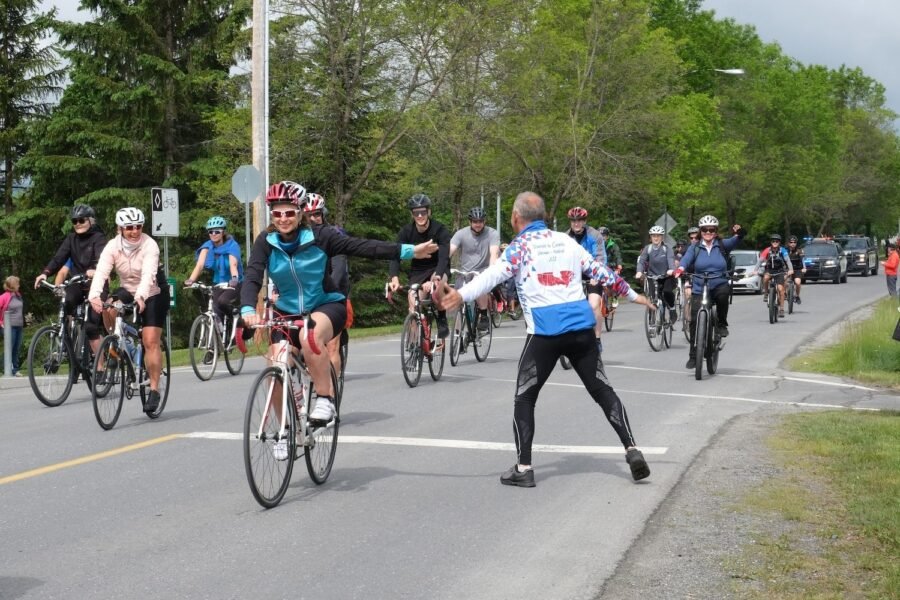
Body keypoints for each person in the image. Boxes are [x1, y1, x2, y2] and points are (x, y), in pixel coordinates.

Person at [434, 191, 656, 487]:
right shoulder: (566, 241)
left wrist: (461, 295)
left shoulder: (520, 246)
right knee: (602, 390)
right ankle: (632, 449)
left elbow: (493, 275)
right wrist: (633, 295)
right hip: (581, 329)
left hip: (545, 333)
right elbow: (602, 274)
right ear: (544, 218)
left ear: (515, 218)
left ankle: (524, 469)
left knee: (525, 397)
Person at [240, 181, 438, 447]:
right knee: (275, 365)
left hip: (325, 305)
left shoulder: (321, 237)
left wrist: (410, 251)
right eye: (277, 213)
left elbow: (364, 247)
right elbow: (253, 275)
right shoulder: (266, 241)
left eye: (289, 212)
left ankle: (325, 399)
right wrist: (247, 309)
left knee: (310, 336)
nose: (283, 219)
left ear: (300, 213)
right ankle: (287, 431)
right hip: (287, 311)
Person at [89, 207, 169, 413]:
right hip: (127, 289)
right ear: (120, 229)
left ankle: (154, 390)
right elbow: (101, 272)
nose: (134, 231)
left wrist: (141, 297)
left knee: (150, 340)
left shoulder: (149, 245)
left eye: (138, 227)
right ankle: (115, 344)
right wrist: (94, 296)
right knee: (109, 306)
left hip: (153, 291)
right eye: (129, 227)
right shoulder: (112, 246)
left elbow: (148, 275)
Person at [34, 205, 108, 356]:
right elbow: (59, 258)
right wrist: (45, 273)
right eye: (75, 221)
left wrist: (95, 269)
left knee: (91, 325)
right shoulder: (71, 239)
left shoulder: (99, 238)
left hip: (96, 283)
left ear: (91, 221)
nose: (78, 224)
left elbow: (103, 258)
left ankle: (100, 366)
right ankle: (68, 346)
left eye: (81, 220)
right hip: (77, 282)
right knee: (66, 301)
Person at [675, 215, 745, 369]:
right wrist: (680, 269)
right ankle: (694, 355)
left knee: (723, 294)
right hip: (700, 285)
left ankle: (721, 324)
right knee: (694, 319)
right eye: (705, 230)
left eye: (711, 229)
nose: (708, 232)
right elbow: (686, 259)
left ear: (715, 231)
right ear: (701, 231)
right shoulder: (695, 247)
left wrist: (740, 231)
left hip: (719, 281)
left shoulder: (721, 244)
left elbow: (738, 238)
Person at [388, 193, 452, 338]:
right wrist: (394, 278)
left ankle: (442, 317)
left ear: (429, 212)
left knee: (437, 290)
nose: (420, 216)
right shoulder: (406, 232)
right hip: (418, 270)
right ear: (412, 214)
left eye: (423, 212)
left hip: (438, 268)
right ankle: (414, 342)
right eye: (416, 213)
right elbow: (395, 255)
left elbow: (443, 258)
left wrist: (435, 277)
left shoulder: (440, 230)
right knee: (413, 300)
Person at [302, 192, 351, 377]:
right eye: (308, 215)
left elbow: (338, 272)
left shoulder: (334, 235)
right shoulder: (299, 238)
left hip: (333, 294)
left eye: (316, 214)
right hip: (308, 296)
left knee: (332, 345)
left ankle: (330, 394)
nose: (313, 219)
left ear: (323, 214)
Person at [183, 215, 244, 332]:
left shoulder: (232, 245)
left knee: (223, 302)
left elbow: (233, 265)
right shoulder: (207, 247)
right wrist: (191, 280)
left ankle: (237, 321)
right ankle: (216, 342)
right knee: (214, 310)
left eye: (217, 231)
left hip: (234, 283)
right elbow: (199, 265)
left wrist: (235, 278)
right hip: (218, 283)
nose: (213, 234)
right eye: (211, 232)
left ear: (223, 232)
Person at [449, 206, 500, 331]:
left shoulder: (492, 233)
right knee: (457, 301)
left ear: (484, 221)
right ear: (470, 222)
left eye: (480, 221)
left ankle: (483, 314)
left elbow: (494, 253)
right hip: (464, 272)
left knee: (480, 285)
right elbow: (449, 251)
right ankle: (458, 336)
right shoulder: (461, 234)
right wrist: (442, 266)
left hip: (482, 270)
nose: (478, 224)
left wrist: (491, 270)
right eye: (475, 222)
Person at [566, 206, 606, 347]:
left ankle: (597, 338)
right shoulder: (566, 237)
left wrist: (596, 274)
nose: (576, 223)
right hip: (573, 274)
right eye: (573, 221)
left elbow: (600, 257)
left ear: (584, 221)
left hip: (592, 272)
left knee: (594, 305)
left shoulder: (594, 235)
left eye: (580, 220)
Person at [635, 226, 677, 322]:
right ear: (651, 237)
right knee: (652, 297)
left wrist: (671, 270)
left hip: (666, 276)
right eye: (654, 236)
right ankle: (652, 318)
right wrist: (639, 271)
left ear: (662, 237)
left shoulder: (667, 249)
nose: (656, 238)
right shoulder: (648, 248)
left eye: (658, 236)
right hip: (652, 276)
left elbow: (671, 260)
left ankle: (672, 309)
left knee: (667, 292)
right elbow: (641, 261)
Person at [758, 234, 794, 317]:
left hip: (780, 271)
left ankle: (781, 309)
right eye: (773, 241)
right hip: (769, 270)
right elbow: (760, 261)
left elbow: (788, 260)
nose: (775, 242)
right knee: (766, 278)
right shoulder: (767, 250)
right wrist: (755, 270)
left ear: (779, 242)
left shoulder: (783, 250)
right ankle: (766, 293)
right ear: (771, 242)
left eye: (776, 241)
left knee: (781, 289)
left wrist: (791, 269)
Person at [0, 276, 25, 376]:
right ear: (12, 285)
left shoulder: (18, 295)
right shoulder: (4, 297)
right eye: (17, 283)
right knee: (10, 348)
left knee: (16, 348)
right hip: (9, 327)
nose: (19, 285)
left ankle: (15, 369)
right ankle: (7, 368)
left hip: (19, 326)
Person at [786, 236, 806, 304]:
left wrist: (804, 268)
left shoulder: (799, 250)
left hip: (797, 269)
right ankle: (785, 293)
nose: (793, 244)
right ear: (788, 243)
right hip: (787, 269)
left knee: (797, 282)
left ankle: (797, 296)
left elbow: (803, 260)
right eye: (791, 242)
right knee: (784, 281)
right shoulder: (785, 251)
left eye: (794, 242)